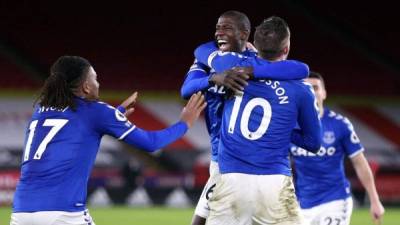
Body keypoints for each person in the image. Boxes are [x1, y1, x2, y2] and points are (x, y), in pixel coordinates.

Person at [10, 55, 206, 225]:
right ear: (86, 87)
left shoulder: (40, 112)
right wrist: (184, 124)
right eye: (95, 79)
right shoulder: (97, 111)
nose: (99, 83)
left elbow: (74, 128)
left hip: (21, 212)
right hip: (64, 213)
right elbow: (151, 143)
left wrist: (117, 115)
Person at [181, 11, 310, 225]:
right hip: (220, 156)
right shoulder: (204, 61)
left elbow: (300, 68)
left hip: (242, 160)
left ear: (244, 35)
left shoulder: (252, 60)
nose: (219, 33)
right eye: (217, 28)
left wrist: (250, 69)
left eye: (227, 28)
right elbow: (186, 89)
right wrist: (214, 78)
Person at [290, 71, 385, 225]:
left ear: (324, 93)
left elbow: (360, 162)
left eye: (315, 87)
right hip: (302, 204)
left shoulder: (340, 124)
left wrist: (375, 200)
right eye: (307, 88)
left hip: (335, 200)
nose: (312, 92)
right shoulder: (290, 127)